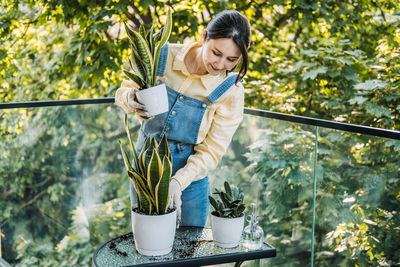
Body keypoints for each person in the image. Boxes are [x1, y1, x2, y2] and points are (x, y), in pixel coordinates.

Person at [115, 10, 251, 227]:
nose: (220, 64)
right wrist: (131, 99)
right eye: (216, 53)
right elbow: (123, 91)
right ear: (204, 36)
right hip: (145, 169)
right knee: (149, 246)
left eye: (232, 60)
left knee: (189, 253)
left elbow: (213, 150)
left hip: (190, 177)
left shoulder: (230, 91)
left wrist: (179, 181)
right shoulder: (162, 55)